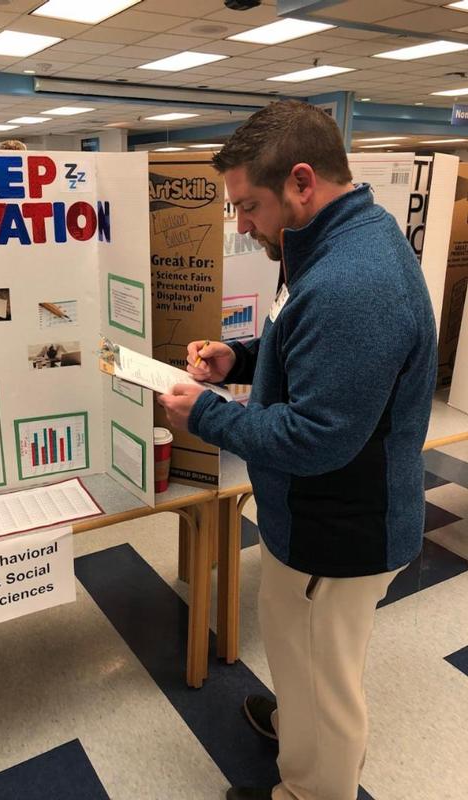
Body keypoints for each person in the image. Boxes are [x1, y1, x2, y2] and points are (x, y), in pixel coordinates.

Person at [158, 100, 437, 800]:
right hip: (313, 518)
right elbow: (306, 351)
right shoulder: (331, 246)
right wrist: (241, 359)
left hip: (340, 530)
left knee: (325, 676)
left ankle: (313, 786)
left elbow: (318, 437)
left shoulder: (354, 282)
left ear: (302, 182)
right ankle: (297, 724)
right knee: (297, 646)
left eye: (249, 207)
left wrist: (209, 417)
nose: (244, 226)